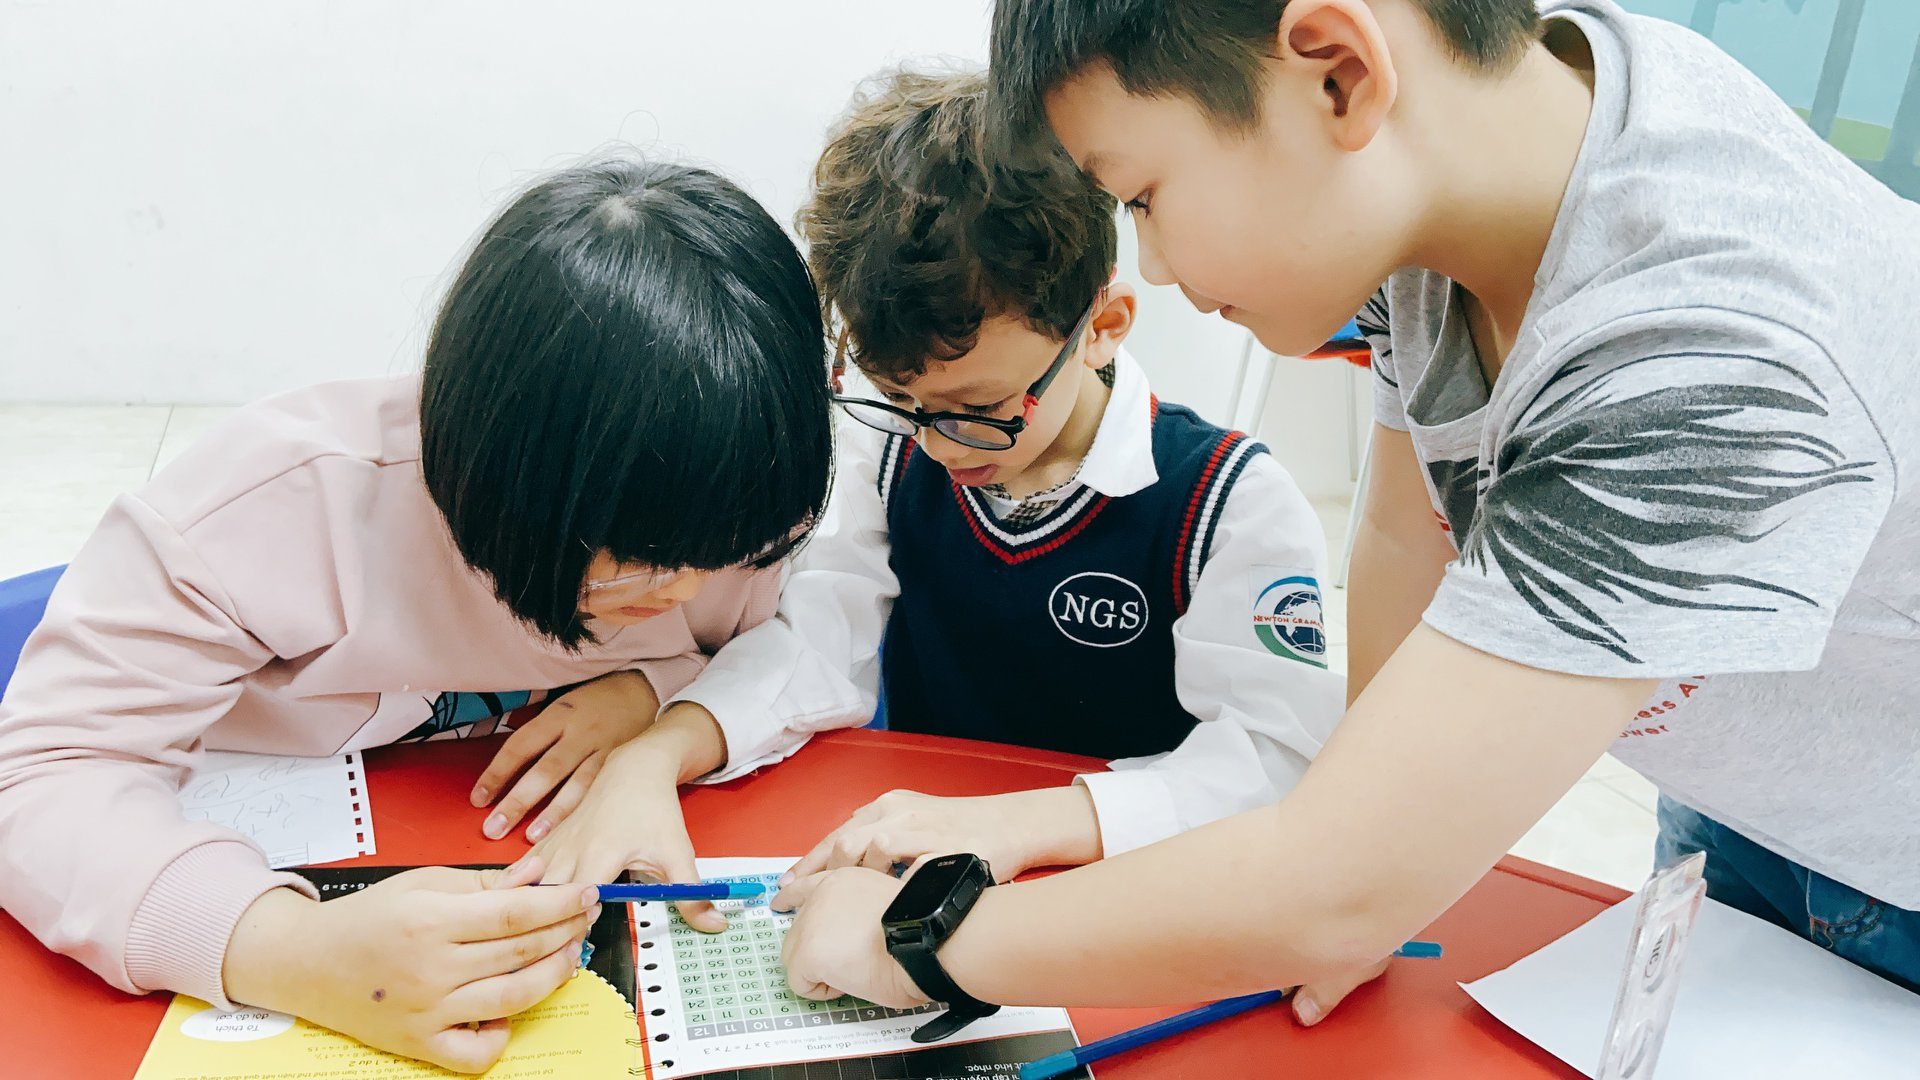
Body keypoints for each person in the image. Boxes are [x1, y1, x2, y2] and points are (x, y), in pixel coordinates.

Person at [777, 0, 1920, 1025]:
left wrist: (919, 947)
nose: (1154, 265)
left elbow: (1332, 892)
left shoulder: (1701, 357)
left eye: (1145, 196)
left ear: (1338, 71)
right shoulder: (1484, 169)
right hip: (1744, 804)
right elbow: (1404, 531)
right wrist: (1358, 840)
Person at [0, 157, 834, 1072]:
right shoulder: (275, 511)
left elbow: (793, 646)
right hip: (245, 894)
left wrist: (655, 693)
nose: (685, 590)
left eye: (732, 550)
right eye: (640, 558)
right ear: (499, 470)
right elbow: (42, 776)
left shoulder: (740, 511)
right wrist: (291, 951)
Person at [523, 68, 1343, 907]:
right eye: (899, 399)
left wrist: (1024, 823)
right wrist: (658, 753)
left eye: (978, 410)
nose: (939, 445)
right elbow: (815, 644)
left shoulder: (1230, 504)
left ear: (1101, 327)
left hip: (1126, 887)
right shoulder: (893, 454)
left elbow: (1273, 762)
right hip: (922, 861)